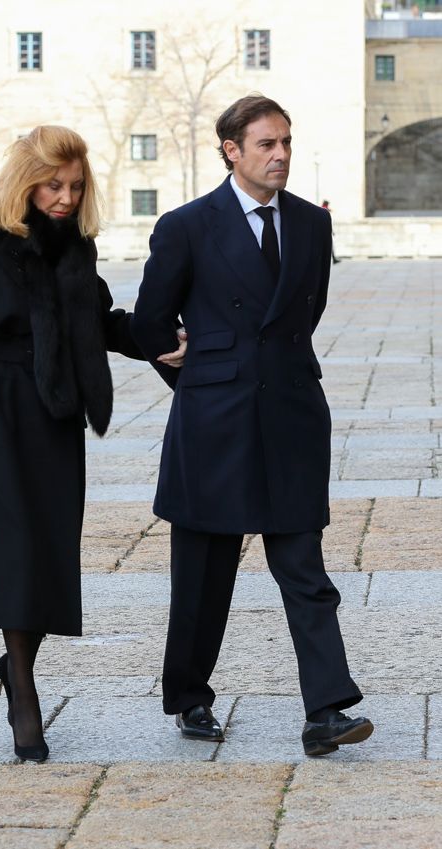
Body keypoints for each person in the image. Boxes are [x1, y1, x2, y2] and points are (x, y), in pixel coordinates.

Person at [0, 125, 186, 763]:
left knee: (47, 553)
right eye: (54, 184)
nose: (64, 197)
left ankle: (16, 667)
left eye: (75, 186)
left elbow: (103, 324)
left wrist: (165, 340)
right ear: (25, 180)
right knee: (12, 551)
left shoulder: (74, 248)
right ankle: (25, 695)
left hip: (55, 418)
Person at [132, 95, 373, 757]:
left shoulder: (309, 224)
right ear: (230, 151)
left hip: (291, 416)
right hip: (213, 424)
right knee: (204, 576)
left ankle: (326, 709)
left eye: (286, 142)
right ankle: (189, 696)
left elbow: (304, 316)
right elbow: (151, 323)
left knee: (303, 567)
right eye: (266, 144)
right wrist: (203, 374)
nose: (280, 155)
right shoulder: (186, 226)